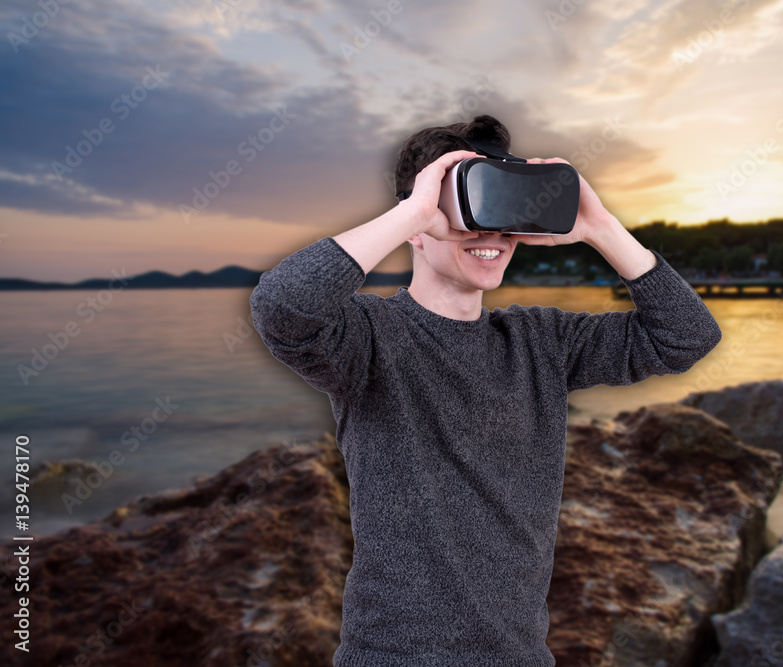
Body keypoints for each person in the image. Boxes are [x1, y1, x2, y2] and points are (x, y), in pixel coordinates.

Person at [249, 115, 722, 666]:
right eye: (468, 209)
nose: (492, 235)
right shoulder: (367, 339)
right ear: (420, 219)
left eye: (503, 212)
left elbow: (686, 336)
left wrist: (600, 227)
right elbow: (282, 308)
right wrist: (414, 213)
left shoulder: (540, 341)